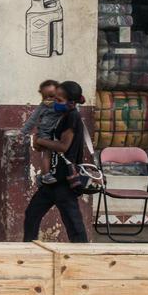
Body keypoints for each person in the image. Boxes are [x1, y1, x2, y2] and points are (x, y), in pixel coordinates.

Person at [23, 80, 90, 243]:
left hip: (64, 181)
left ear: (72, 102)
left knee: (74, 224)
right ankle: (28, 249)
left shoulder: (72, 117)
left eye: (59, 100)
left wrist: (39, 141)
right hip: (52, 179)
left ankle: (83, 256)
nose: (55, 103)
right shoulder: (61, 115)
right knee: (32, 214)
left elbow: (63, 146)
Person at [20, 79, 62, 185]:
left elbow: (69, 107)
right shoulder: (43, 106)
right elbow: (32, 119)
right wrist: (24, 131)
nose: (48, 99)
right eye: (45, 96)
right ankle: (45, 175)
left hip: (57, 133)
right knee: (47, 153)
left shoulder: (60, 105)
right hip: (45, 133)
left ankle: (42, 175)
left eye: (51, 96)